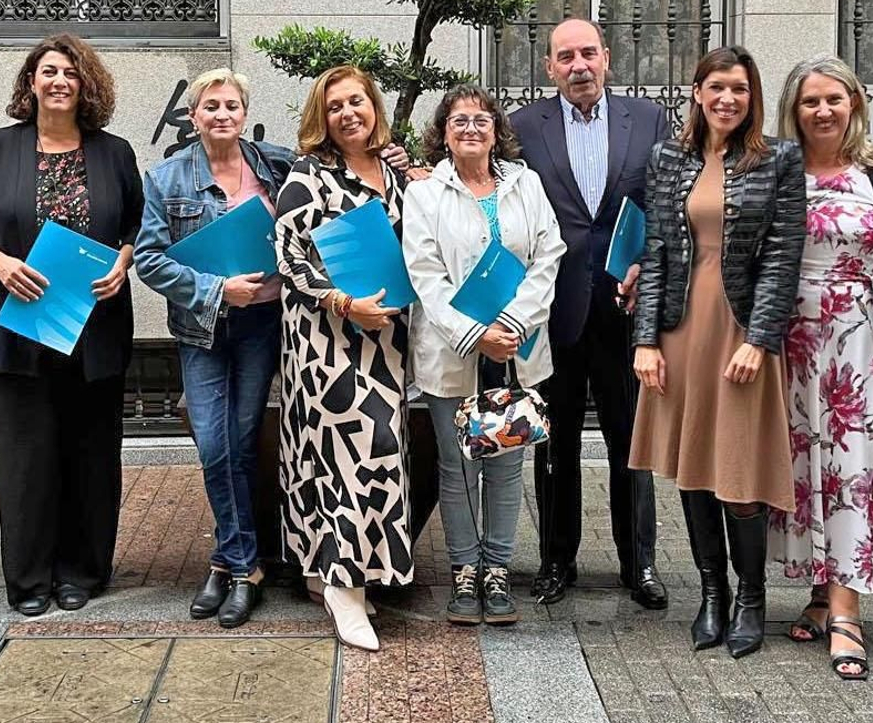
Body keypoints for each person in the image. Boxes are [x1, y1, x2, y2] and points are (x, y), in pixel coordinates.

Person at [0, 34, 143, 618]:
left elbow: (136, 225)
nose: (59, 81)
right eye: (48, 71)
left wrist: (123, 262)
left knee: (91, 456)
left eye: (71, 73)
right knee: (27, 458)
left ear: (87, 85)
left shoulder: (114, 152)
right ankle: (29, 580)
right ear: (30, 82)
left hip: (94, 326)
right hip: (21, 324)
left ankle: (82, 572)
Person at [630, 46, 806, 658]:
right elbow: (654, 253)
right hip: (682, 329)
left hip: (738, 330)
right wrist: (646, 340)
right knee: (695, 467)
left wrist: (760, 340)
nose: (728, 99)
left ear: (752, 96)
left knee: (739, 475)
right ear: (697, 91)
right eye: (717, 87)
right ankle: (712, 594)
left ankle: (751, 598)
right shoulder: (667, 158)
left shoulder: (780, 158)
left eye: (740, 88)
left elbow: (784, 258)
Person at [509, 18, 669, 609]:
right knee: (556, 444)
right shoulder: (523, 128)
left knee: (634, 445)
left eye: (587, 54)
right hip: (554, 312)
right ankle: (556, 560)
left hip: (626, 313)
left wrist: (647, 271)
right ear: (549, 67)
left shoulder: (648, 121)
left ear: (607, 58)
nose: (578, 66)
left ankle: (640, 563)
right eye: (565, 57)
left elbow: (664, 206)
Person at [772, 55, 873, 680]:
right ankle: (817, 587)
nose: (823, 111)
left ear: (854, 103)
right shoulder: (778, 172)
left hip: (862, 340)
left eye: (835, 99)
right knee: (803, 468)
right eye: (811, 101)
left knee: (855, 467)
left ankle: (846, 612)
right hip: (792, 344)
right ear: (795, 110)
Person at [402, 85, 565, 627]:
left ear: (497, 130)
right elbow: (425, 274)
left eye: (480, 120)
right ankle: (463, 571)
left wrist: (512, 325)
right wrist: (478, 334)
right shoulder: (425, 193)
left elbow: (549, 254)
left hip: (518, 348)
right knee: (457, 466)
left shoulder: (526, 183)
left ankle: (497, 569)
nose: (470, 128)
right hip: (454, 350)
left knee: (507, 461)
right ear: (443, 133)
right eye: (458, 121)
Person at [133, 69, 290, 629]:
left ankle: (227, 563)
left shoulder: (277, 165)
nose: (221, 115)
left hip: (263, 324)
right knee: (214, 445)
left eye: (231, 106)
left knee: (244, 442)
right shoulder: (166, 177)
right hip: (204, 329)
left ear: (244, 112)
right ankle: (244, 566)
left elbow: (331, 190)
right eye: (210, 106)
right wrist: (218, 289)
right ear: (193, 116)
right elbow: (149, 260)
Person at [274, 65, 412, 652]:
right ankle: (344, 587)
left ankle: (320, 568)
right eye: (335, 107)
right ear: (321, 119)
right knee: (356, 451)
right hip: (327, 337)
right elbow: (288, 255)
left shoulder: (396, 172)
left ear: (374, 106)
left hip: (387, 341)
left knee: (358, 454)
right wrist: (343, 302)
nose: (348, 113)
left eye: (356, 101)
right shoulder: (309, 175)